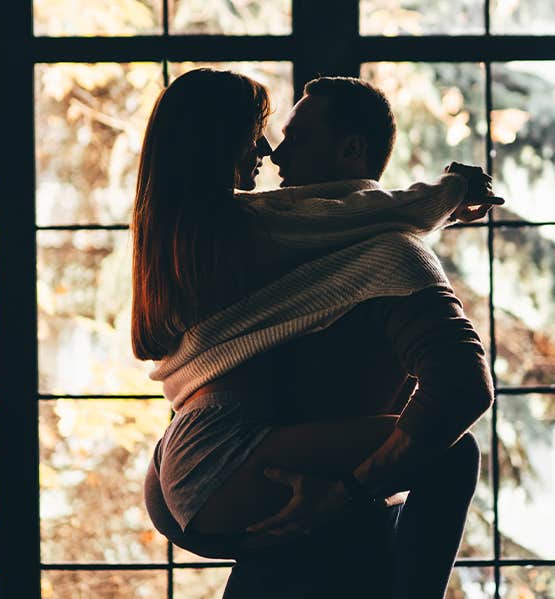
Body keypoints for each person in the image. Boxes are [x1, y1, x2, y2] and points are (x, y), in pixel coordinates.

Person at [134, 70, 497, 597]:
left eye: (295, 137)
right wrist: (351, 491)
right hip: (222, 464)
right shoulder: (265, 228)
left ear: (351, 150)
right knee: (456, 453)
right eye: (265, 136)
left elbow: (461, 380)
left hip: (198, 465)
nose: (275, 155)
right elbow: (367, 213)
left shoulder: (226, 234)